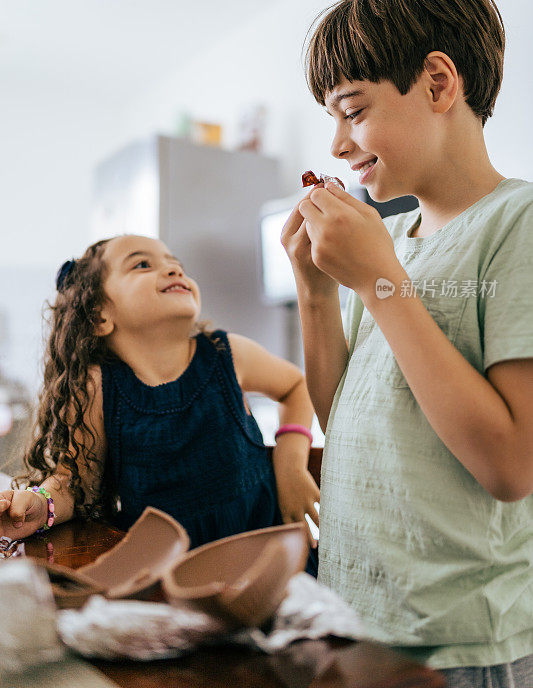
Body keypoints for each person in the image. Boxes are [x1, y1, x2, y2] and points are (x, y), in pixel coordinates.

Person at [281, 0, 533, 686]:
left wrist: (377, 281)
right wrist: (314, 292)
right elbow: (351, 419)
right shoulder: (389, 245)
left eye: (351, 110)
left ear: (436, 83)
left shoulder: (514, 223)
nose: (336, 143)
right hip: (358, 620)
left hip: (461, 645)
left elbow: (510, 466)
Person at [0, 234, 319, 573]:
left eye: (175, 264)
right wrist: (39, 504)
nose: (171, 269)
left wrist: (290, 462)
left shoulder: (227, 354)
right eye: (142, 264)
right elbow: (73, 484)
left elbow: (296, 386)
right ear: (99, 316)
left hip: (272, 569)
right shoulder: (96, 386)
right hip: (167, 580)